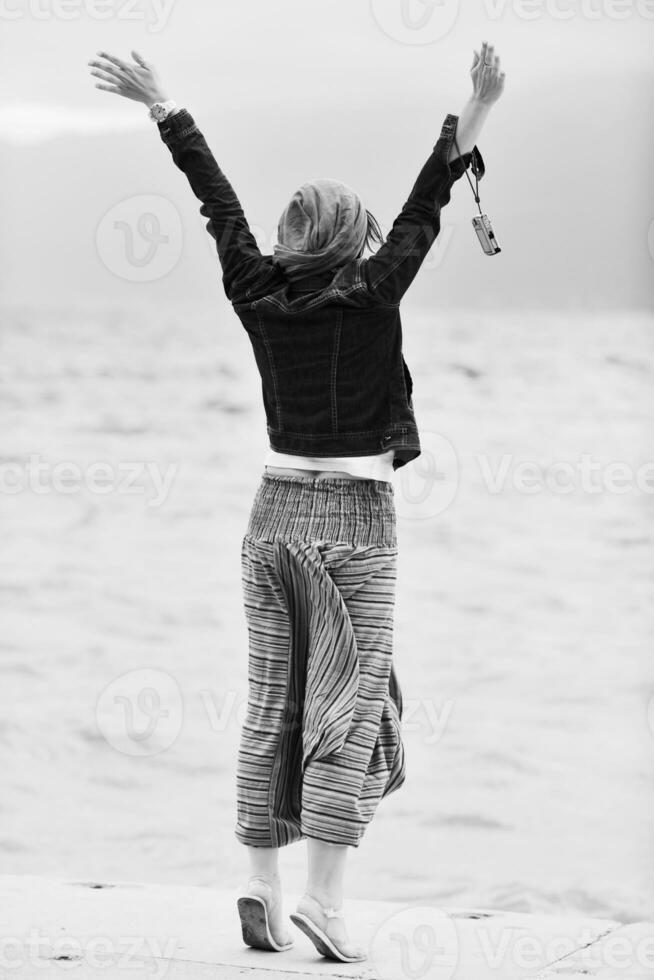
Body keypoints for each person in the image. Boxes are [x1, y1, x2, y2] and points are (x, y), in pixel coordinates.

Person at [88, 41, 505, 964]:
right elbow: (427, 203)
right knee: (350, 707)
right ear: (356, 239)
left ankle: (257, 882)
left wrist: (164, 106)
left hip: (270, 515)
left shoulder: (255, 288)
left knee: (271, 698)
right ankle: (322, 898)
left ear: (287, 238)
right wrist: (477, 109)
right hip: (356, 520)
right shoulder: (374, 286)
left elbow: (217, 203)